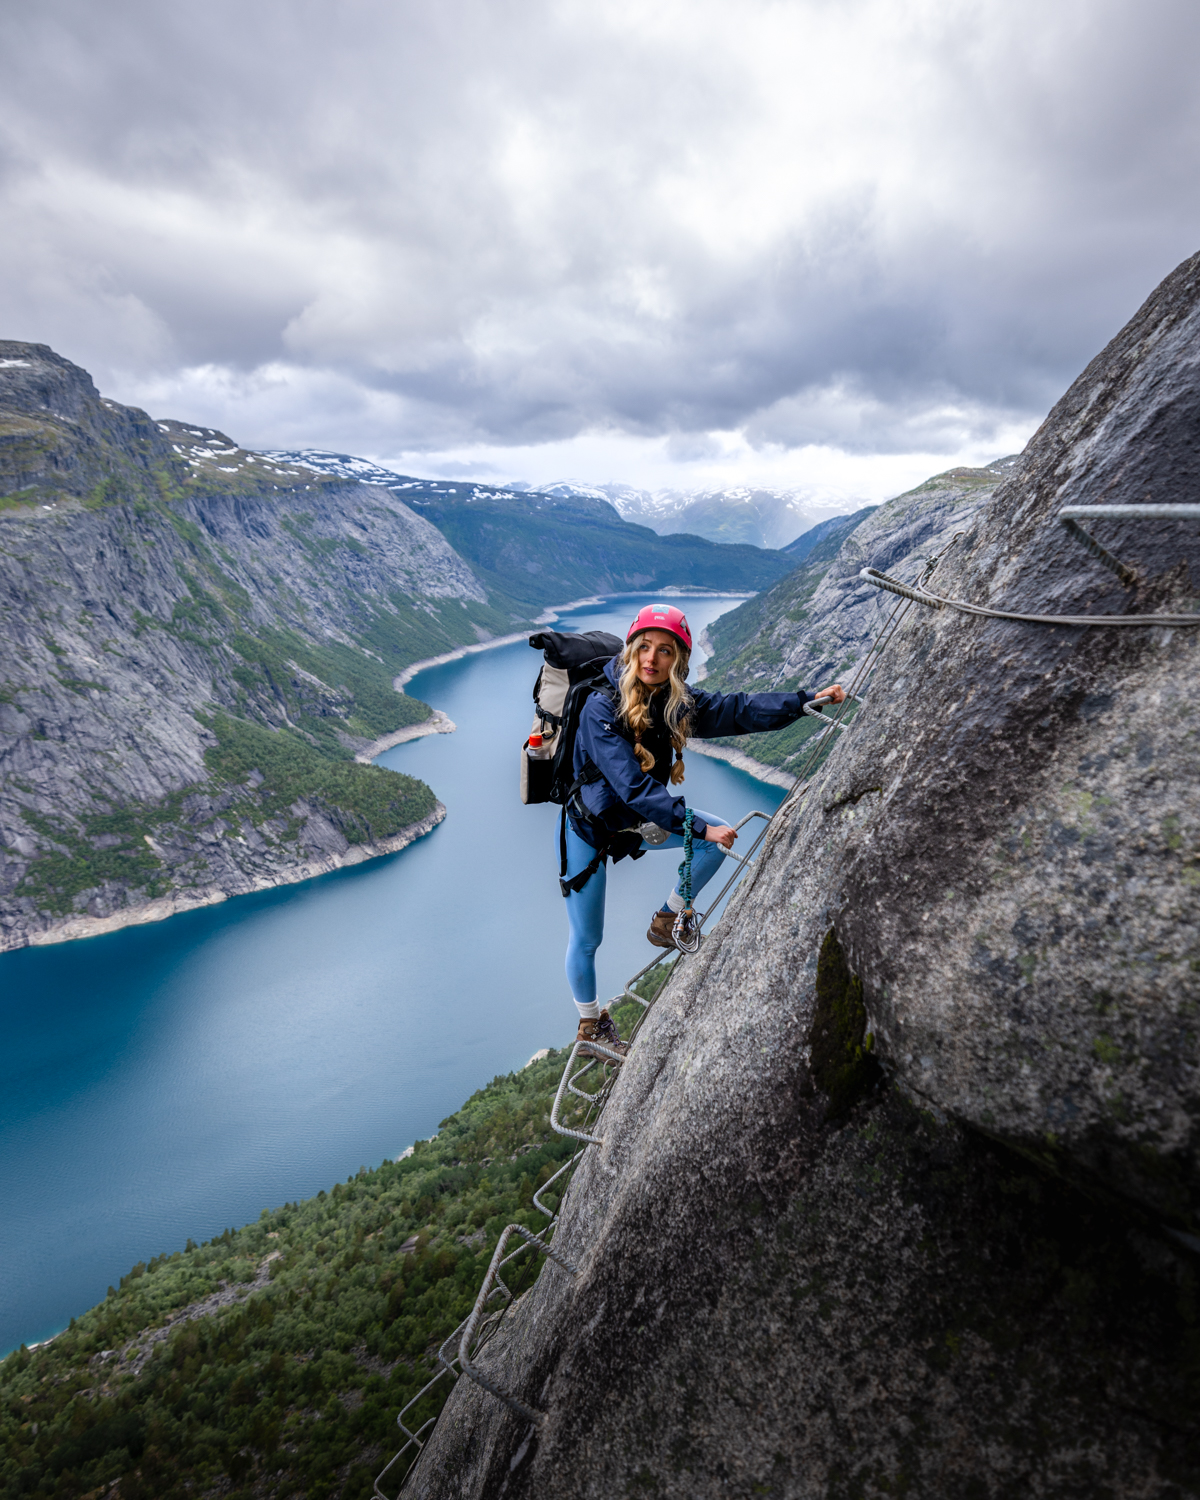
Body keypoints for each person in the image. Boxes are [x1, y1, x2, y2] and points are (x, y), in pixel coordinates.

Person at [561, 602, 846, 1058]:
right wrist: (692, 826)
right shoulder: (601, 707)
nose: (652, 659)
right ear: (632, 651)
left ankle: (667, 917)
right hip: (591, 828)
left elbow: (737, 711)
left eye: (666, 651)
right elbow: (631, 785)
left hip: (636, 820)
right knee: (588, 937)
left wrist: (804, 701)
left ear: (679, 661)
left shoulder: (674, 704)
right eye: (645, 648)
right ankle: (591, 1024)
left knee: (721, 837)